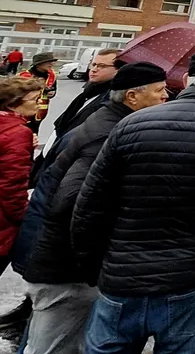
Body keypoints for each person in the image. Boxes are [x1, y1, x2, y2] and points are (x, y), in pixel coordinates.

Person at [71, 46, 195, 353]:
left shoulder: (132, 123)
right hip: (192, 280)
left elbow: (91, 203)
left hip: (123, 274)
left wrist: (94, 265)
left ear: (187, 78)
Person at [21, 63, 168, 354]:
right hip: (68, 270)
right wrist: (92, 261)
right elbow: (70, 201)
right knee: (53, 348)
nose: (166, 97)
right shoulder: (108, 135)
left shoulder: (112, 122)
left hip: (66, 264)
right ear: (132, 97)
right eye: (160, 90)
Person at [0, 76, 42, 303]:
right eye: (34, 99)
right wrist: (22, 217)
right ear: (12, 103)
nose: (38, 104)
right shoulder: (18, 133)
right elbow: (12, 189)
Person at [18, 52, 58, 135]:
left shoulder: (52, 75)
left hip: (40, 112)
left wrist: (52, 93)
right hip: (24, 112)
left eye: (52, 61)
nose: (51, 64)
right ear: (39, 64)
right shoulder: (24, 76)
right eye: (48, 62)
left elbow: (54, 90)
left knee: (33, 134)